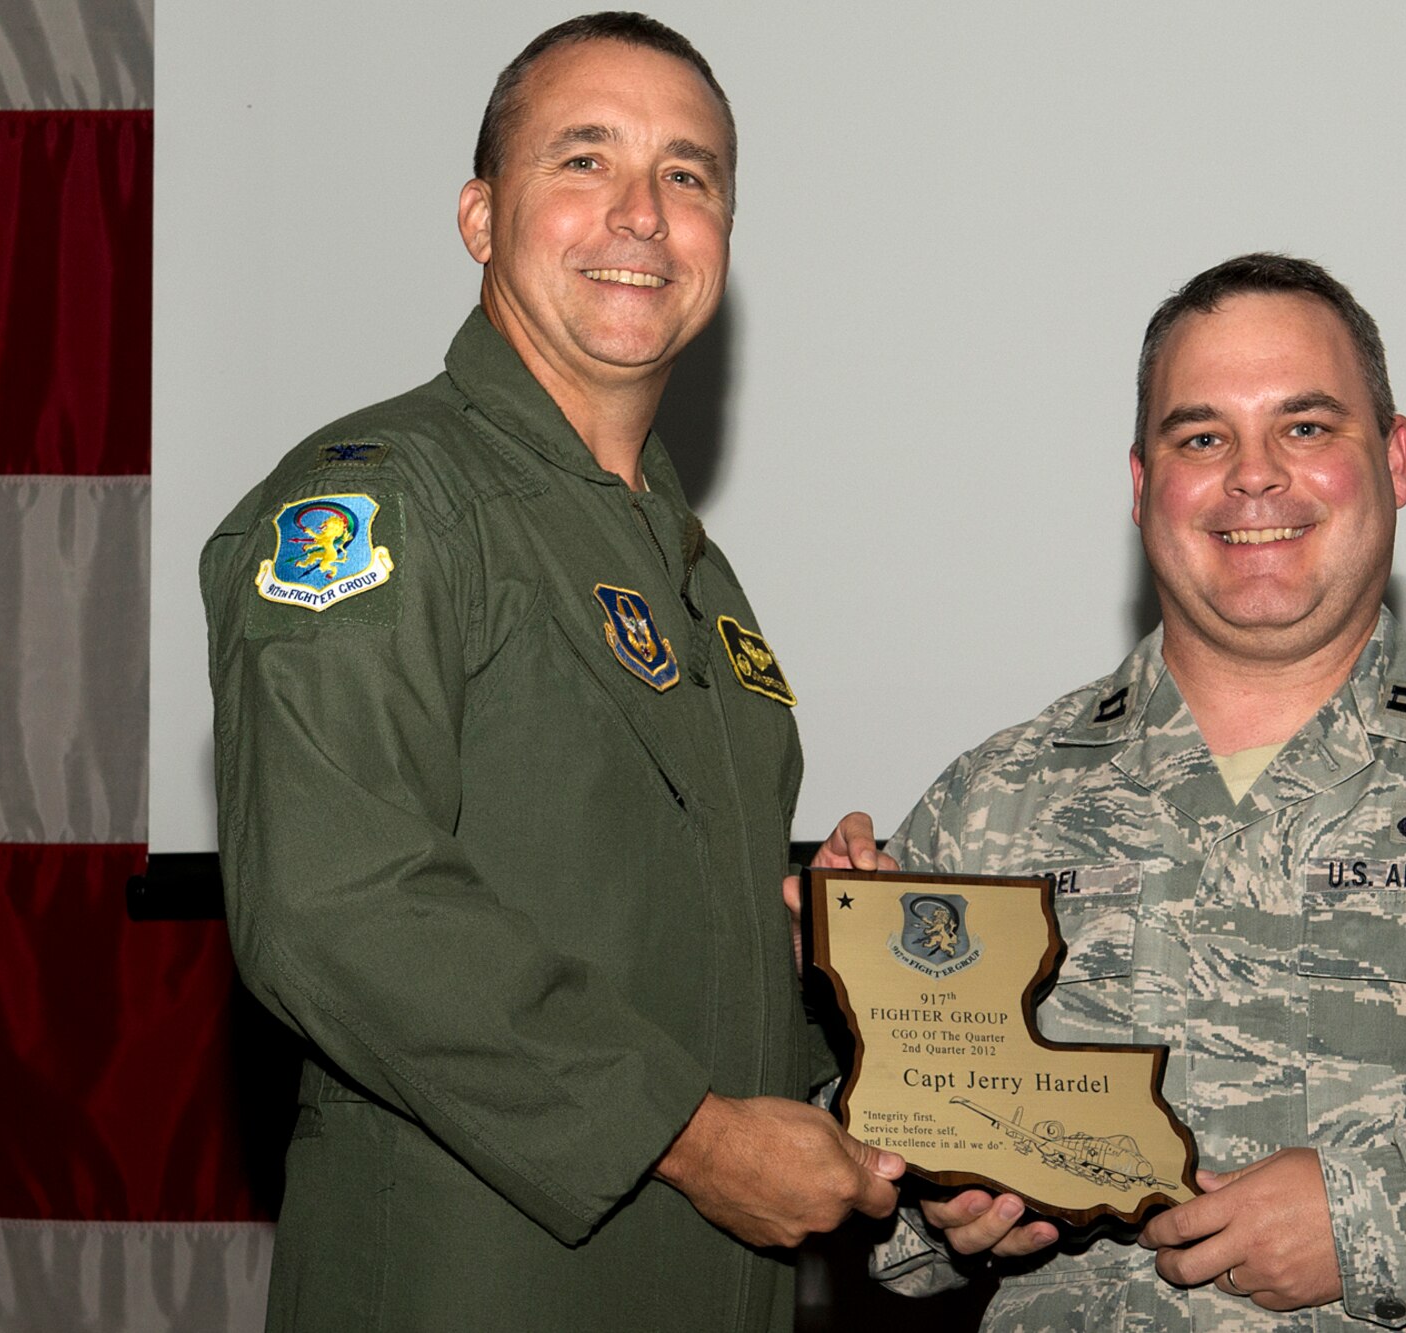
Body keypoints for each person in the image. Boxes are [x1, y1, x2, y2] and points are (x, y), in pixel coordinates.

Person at [817, 254, 1406, 1331]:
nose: (1252, 475)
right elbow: (862, 1148)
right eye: (1200, 437)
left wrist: (1369, 1216)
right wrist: (933, 1195)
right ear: (1141, 481)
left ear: (1392, 459)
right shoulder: (990, 804)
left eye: (1305, 427)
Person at [200, 14, 901, 1330]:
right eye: (585, 159)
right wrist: (692, 1138)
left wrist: (821, 958)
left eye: (690, 176)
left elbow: (634, 927)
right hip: (478, 1280)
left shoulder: (695, 574)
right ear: (479, 216)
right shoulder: (384, 505)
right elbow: (339, 903)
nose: (642, 213)